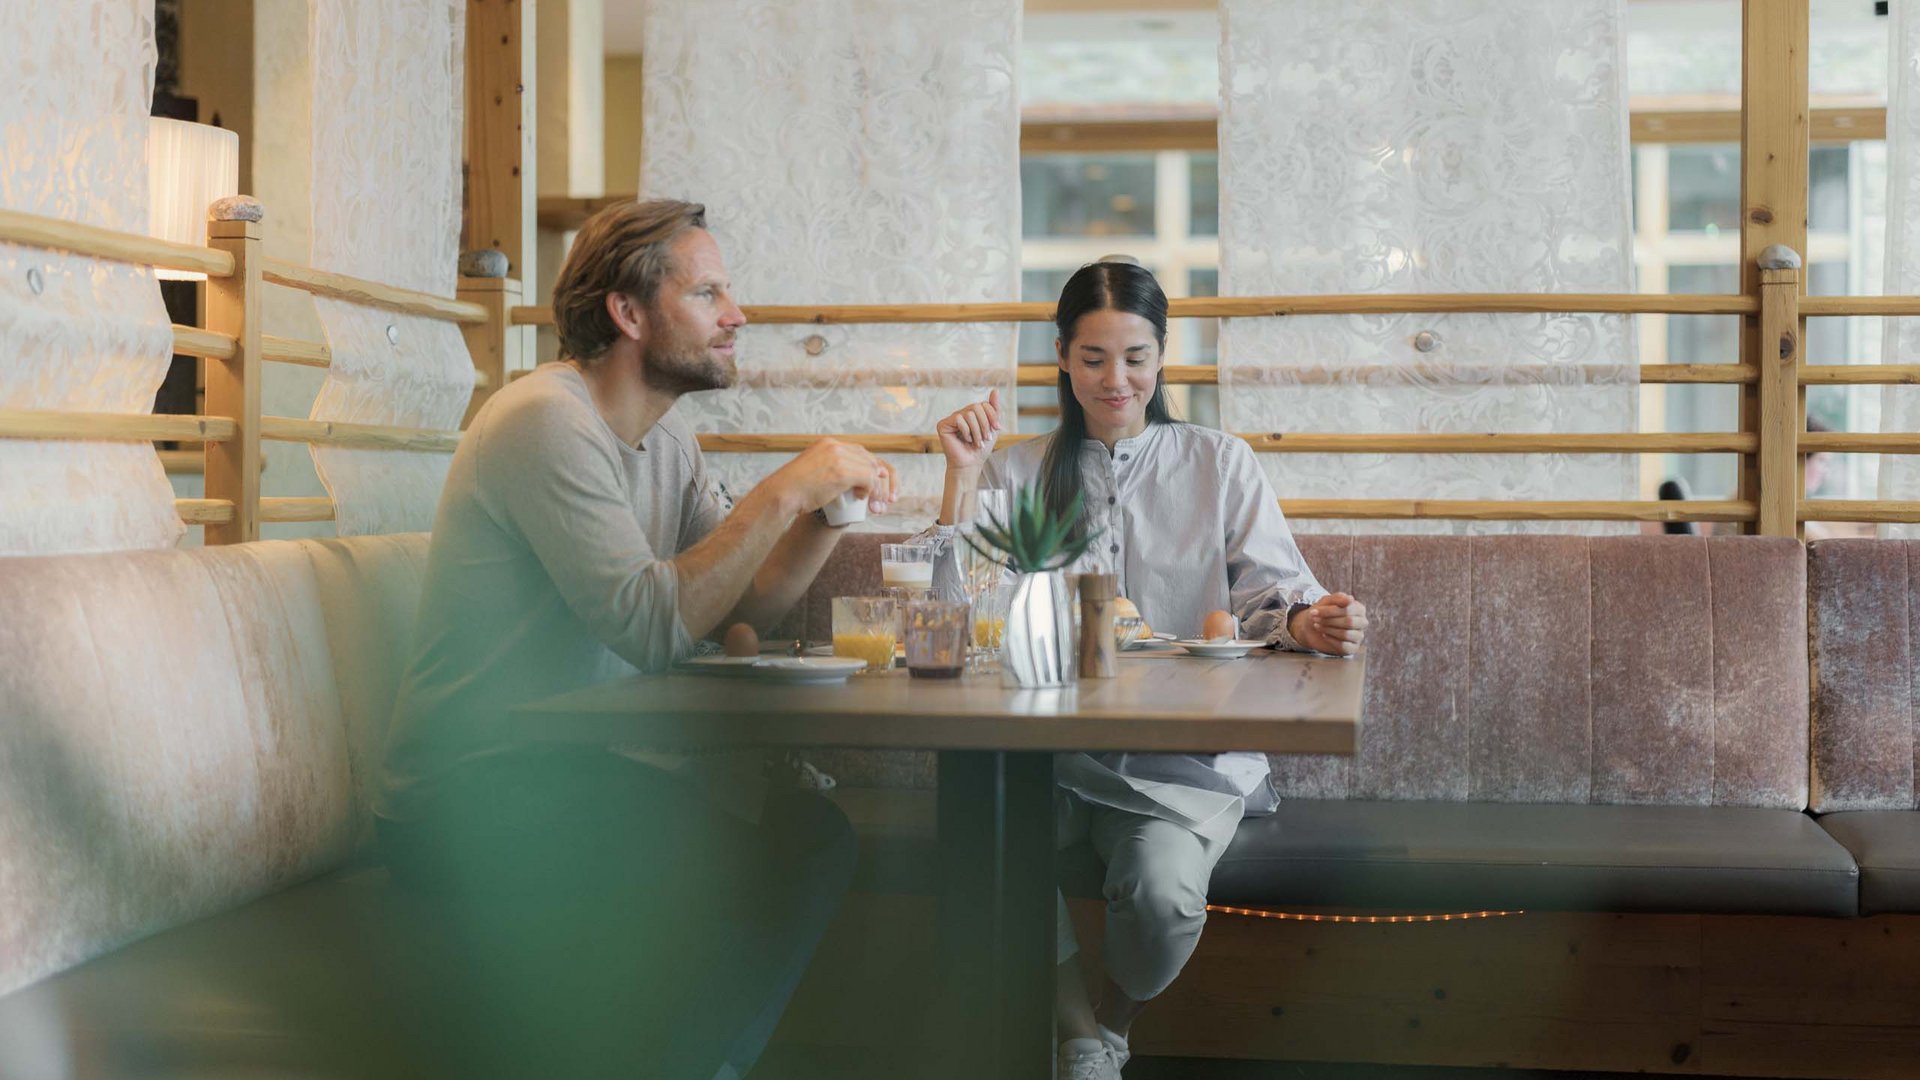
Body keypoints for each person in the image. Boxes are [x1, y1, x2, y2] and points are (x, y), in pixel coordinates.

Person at [375, 198, 898, 1079]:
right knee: (738, 851)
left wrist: (823, 518)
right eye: (709, 294)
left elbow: (735, 613)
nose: (737, 316)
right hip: (469, 794)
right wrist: (782, 489)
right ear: (629, 312)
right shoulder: (544, 419)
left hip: (569, 775)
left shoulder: (667, 442)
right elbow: (654, 624)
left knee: (809, 835)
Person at [918, 258, 1369, 1079]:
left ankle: (1107, 1024)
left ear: (1162, 357)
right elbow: (949, 619)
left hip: (1182, 759)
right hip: (1042, 760)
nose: (1115, 378)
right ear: (1061, 356)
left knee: (1162, 898)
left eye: (1135, 356)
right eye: (1093, 358)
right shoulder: (1018, 469)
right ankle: (1078, 1034)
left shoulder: (1218, 462)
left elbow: (1277, 596)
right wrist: (959, 474)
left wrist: (1313, 621)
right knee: (980, 850)